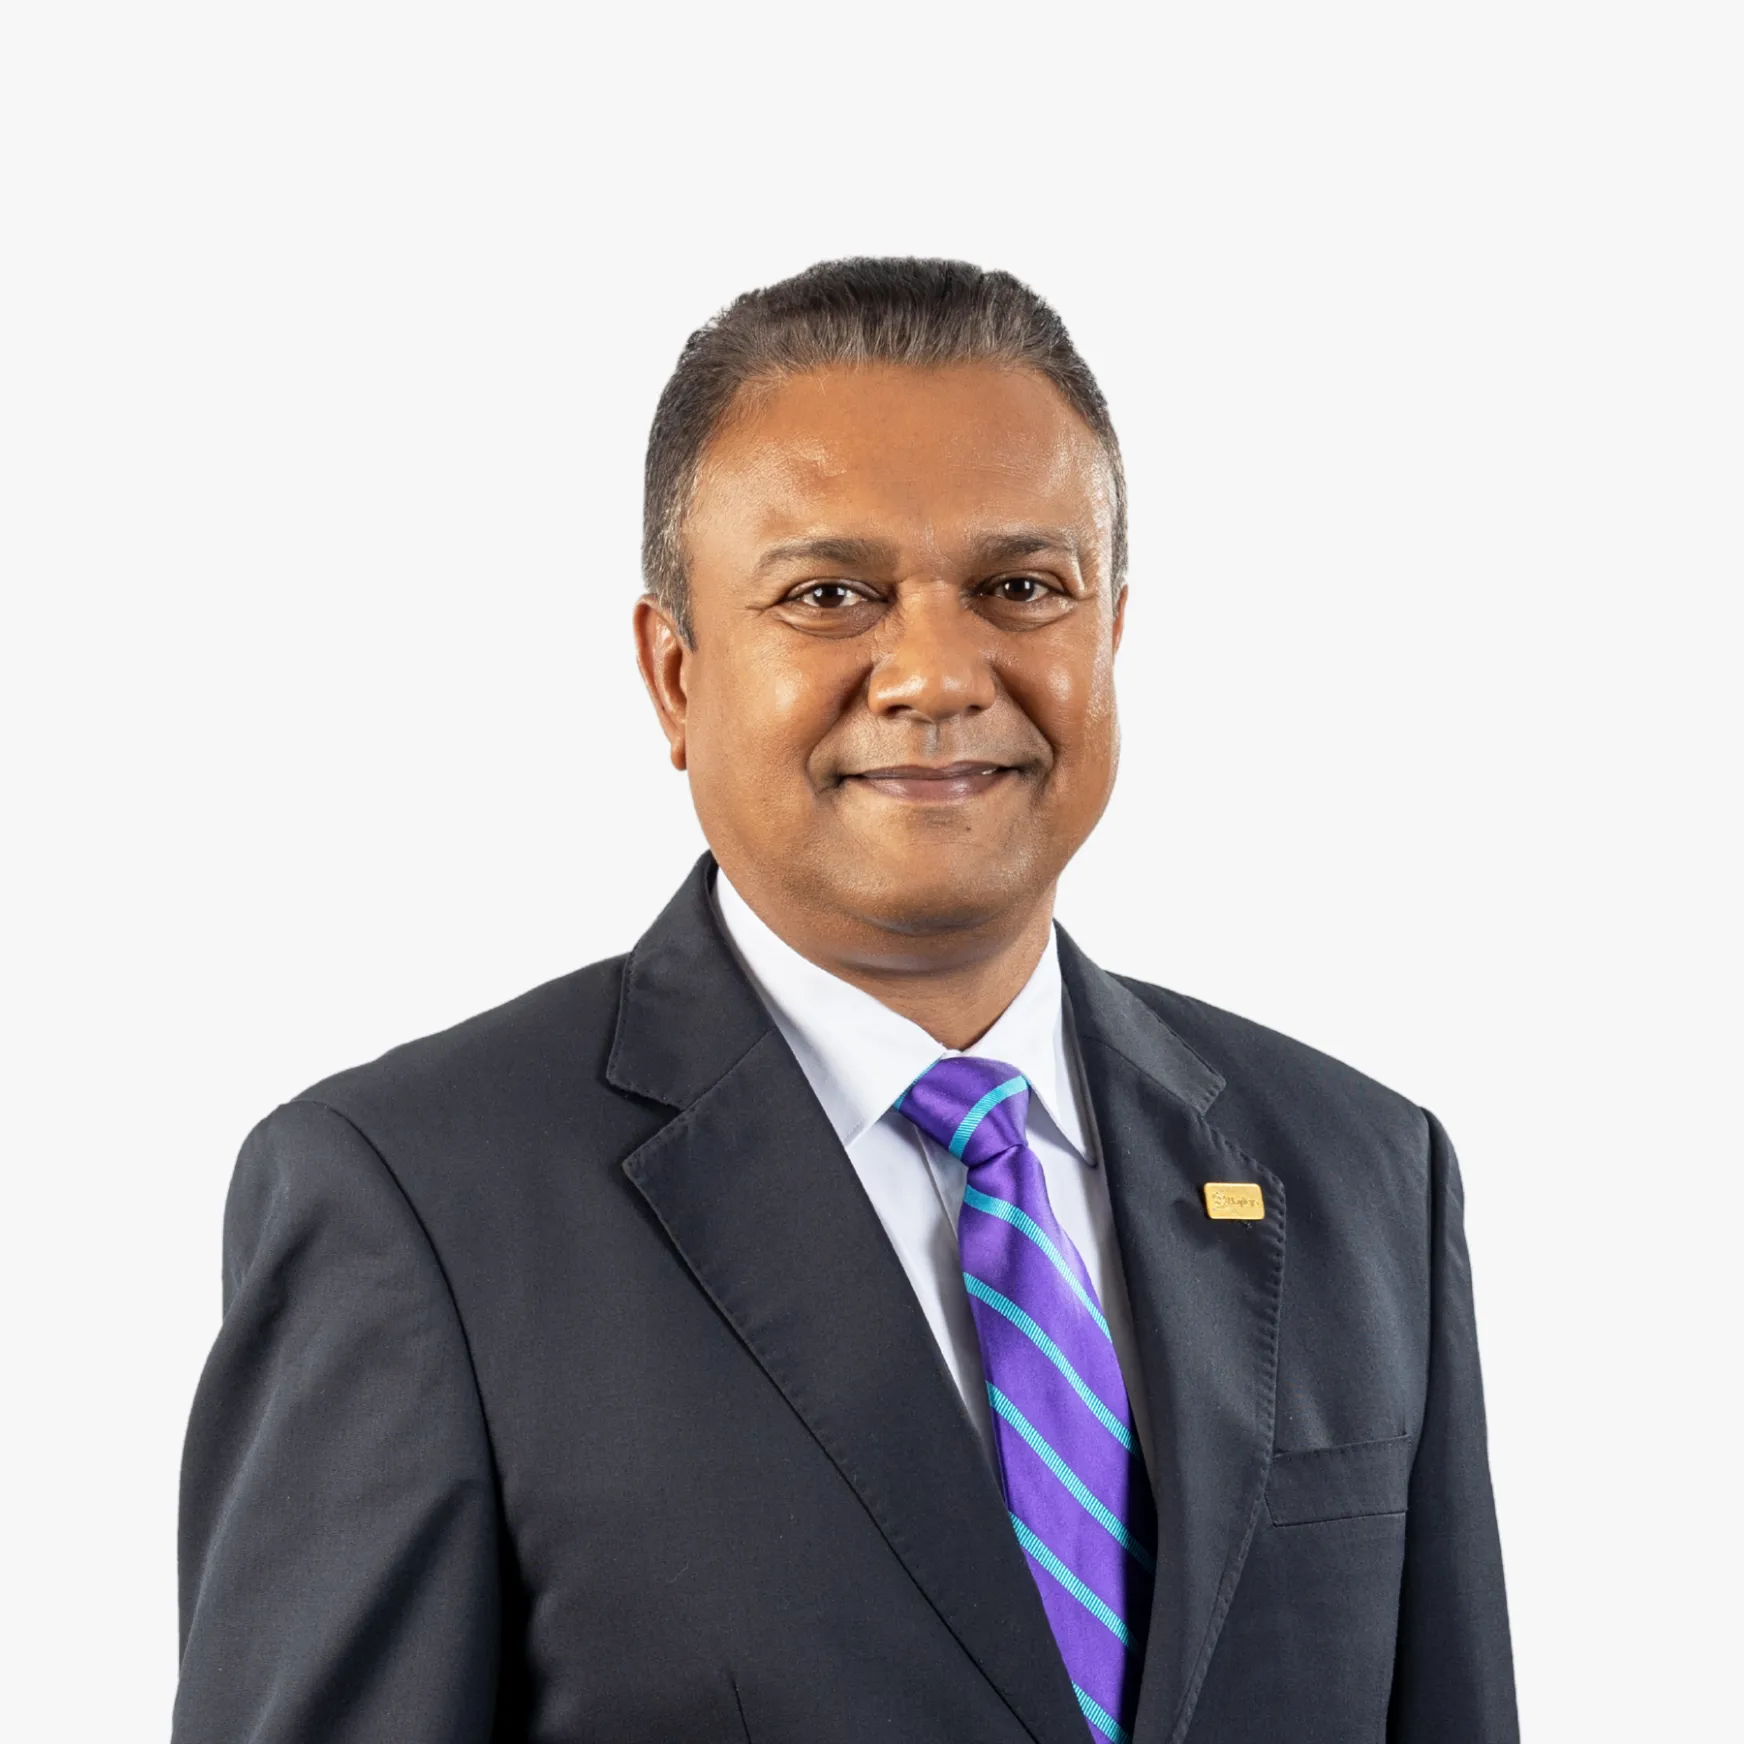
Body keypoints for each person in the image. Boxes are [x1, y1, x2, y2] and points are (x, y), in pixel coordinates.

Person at [173, 258, 1518, 1744]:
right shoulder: (414, 1205)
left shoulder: (1362, 1174)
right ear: (674, 676)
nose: (936, 674)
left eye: (1021, 589)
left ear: (1111, 638)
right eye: (830, 596)